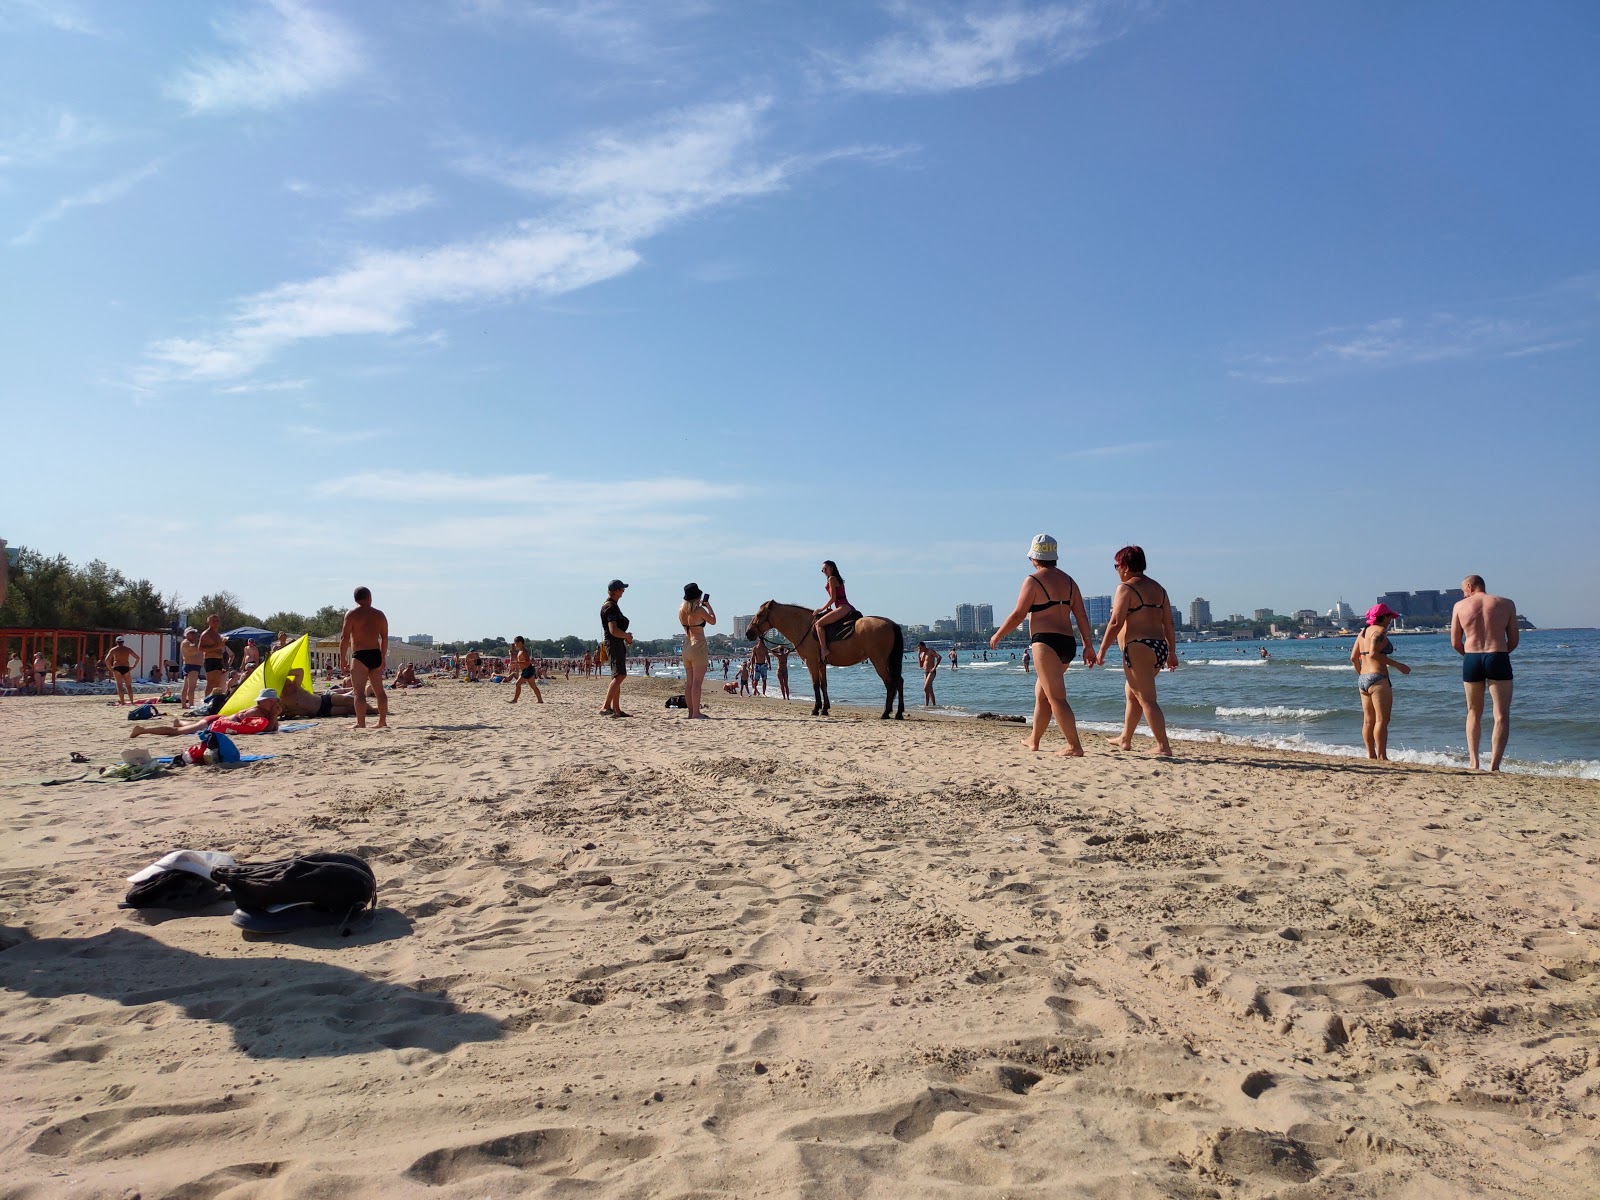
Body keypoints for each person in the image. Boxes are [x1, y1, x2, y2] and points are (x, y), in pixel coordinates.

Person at [992, 533, 1097, 754]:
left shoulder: (1033, 580)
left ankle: (1074, 745)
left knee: (1056, 697)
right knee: (1042, 693)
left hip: (1045, 643)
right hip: (1068, 643)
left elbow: (1019, 614)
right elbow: (1081, 617)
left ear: (1035, 558)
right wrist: (1088, 645)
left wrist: (998, 635)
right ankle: (1034, 740)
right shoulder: (1070, 582)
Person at [1096, 544, 1178, 757]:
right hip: (1158, 648)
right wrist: (1171, 652)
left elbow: (1115, 622)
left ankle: (1163, 746)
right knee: (1132, 694)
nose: (1116, 571)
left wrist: (1102, 650)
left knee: (1146, 699)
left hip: (1139, 648)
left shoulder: (1126, 588)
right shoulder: (1159, 589)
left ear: (1124, 566)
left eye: (1116, 566)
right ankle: (1125, 738)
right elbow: (1168, 623)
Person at [1450, 575, 1519, 771]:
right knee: (1501, 714)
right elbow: (1513, 639)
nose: (1464, 594)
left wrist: (1470, 656)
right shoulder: (1506, 604)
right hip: (1497, 655)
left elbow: (1455, 642)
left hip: (1472, 658)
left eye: (1464, 590)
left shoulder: (1459, 606)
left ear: (1470, 587)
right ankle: (1495, 766)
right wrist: (1499, 654)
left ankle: (1474, 762)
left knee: (1473, 712)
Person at [1351, 604, 1410, 761]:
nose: (1391, 620)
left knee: (1368, 720)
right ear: (1382, 617)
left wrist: (1361, 674)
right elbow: (1374, 654)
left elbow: (1353, 658)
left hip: (1363, 679)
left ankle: (1371, 754)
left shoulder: (1362, 633)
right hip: (1378, 678)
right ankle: (1382, 756)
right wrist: (1399, 665)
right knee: (1382, 720)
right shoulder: (1379, 632)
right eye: (1389, 616)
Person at [131, 689, 282, 737]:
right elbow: (266, 729)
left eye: (275, 701)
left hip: (219, 721)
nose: (274, 703)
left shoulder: (265, 712)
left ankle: (179, 721)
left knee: (193, 726)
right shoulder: (255, 712)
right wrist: (274, 716)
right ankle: (143, 730)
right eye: (271, 701)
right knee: (178, 732)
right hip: (215, 722)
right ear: (261, 702)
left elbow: (273, 729)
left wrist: (274, 715)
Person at [339, 586, 389, 729]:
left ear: (355, 599)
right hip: (375, 653)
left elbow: (344, 637)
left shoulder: (351, 615)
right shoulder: (379, 615)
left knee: (359, 692)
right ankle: (382, 721)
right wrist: (383, 656)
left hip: (360, 655)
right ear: (370, 597)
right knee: (379, 691)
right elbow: (385, 638)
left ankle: (361, 723)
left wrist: (342, 658)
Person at [812, 560, 860, 665]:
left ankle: (824, 649)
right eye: (822, 570)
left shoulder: (832, 579)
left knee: (818, 624)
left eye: (826, 568)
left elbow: (833, 598)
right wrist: (829, 608)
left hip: (843, 607)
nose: (824, 571)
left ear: (831, 568)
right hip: (845, 606)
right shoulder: (835, 578)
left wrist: (821, 609)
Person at [679, 583, 715, 718]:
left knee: (689, 682)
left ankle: (690, 712)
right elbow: (713, 621)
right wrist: (709, 607)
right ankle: (696, 712)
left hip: (687, 645)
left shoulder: (681, 610)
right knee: (697, 683)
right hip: (698, 645)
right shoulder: (700, 610)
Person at [280, 666, 375, 719]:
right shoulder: (283, 700)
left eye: (288, 680)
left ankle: (373, 710)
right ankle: (370, 711)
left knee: (349, 699)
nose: (290, 683)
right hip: (320, 711)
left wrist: (284, 673)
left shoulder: (296, 685)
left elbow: (300, 671)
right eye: (287, 683)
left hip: (323, 698)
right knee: (348, 710)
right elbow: (283, 713)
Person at [600, 579, 634, 717]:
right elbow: (613, 629)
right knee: (620, 674)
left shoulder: (610, 605)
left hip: (615, 643)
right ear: (615, 591)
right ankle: (606, 706)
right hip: (614, 643)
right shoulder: (611, 607)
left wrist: (625, 636)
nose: (623, 591)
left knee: (616, 676)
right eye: (621, 589)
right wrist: (626, 636)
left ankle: (617, 709)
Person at [103, 638, 141, 705]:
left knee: (119, 685)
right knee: (128, 686)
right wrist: (133, 666)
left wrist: (110, 668)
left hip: (117, 667)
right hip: (126, 667)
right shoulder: (127, 649)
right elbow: (137, 657)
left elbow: (107, 660)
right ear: (123, 642)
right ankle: (132, 702)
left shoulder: (114, 649)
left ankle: (122, 702)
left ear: (116, 642)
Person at [199, 615, 229, 699]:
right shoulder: (206, 634)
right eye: (214, 621)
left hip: (218, 659)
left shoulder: (217, 634)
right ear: (209, 622)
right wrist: (217, 646)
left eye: (217, 621)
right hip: (210, 659)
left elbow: (220, 649)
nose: (216, 623)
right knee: (210, 683)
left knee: (217, 683)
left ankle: (213, 700)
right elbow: (200, 648)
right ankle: (206, 701)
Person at [507, 636, 544, 705]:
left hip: (528, 670)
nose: (515, 645)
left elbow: (528, 661)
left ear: (520, 643)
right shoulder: (520, 651)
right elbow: (522, 663)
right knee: (533, 686)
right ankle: (540, 700)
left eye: (515, 643)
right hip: (526, 670)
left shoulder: (524, 651)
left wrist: (517, 663)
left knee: (518, 684)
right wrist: (514, 665)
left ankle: (515, 700)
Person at [917, 640, 939, 706]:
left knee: (926, 688)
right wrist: (919, 655)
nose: (920, 649)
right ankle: (929, 705)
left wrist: (934, 667)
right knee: (929, 690)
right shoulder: (923, 654)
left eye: (920, 648)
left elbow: (939, 657)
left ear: (924, 646)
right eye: (919, 649)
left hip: (931, 672)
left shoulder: (930, 651)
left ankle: (930, 704)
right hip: (925, 672)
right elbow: (921, 665)